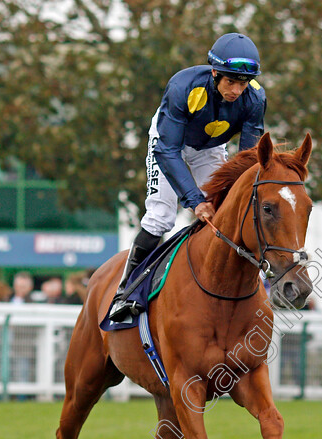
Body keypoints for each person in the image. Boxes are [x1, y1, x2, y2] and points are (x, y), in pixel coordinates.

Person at [108, 32, 267, 321]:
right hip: (170, 145)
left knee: (225, 210)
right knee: (161, 217)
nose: (236, 90)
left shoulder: (254, 98)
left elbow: (248, 157)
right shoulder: (183, 86)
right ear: (215, 72)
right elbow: (168, 151)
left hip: (209, 148)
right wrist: (195, 201)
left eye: (242, 83)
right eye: (230, 81)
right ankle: (125, 293)